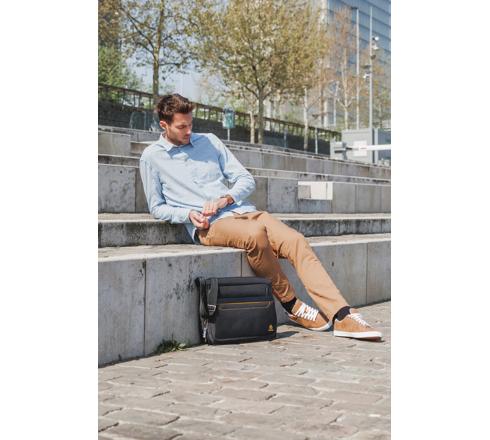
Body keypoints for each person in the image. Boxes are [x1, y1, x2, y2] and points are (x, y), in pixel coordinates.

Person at [140, 94, 382, 341]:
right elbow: (157, 207)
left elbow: (246, 179)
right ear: (164, 125)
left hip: (243, 211)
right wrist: (188, 214)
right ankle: (291, 304)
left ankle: (342, 315)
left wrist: (226, 199)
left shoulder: (209, 141)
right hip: (210, 225)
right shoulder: (151, 157)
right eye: (182, 127)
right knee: (255, 235)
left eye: (191, 124)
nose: (189, 131)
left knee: (296, 241)